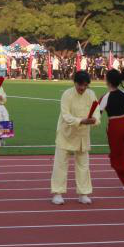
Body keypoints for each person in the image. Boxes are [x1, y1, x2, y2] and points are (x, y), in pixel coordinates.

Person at [50, 71, 98, 205]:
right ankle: (57, 193)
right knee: (60, 164)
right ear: (74, 83)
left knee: (83, 165)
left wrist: (95, 120)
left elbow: (96, 112)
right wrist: (82, 121)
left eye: (85, 85)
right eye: (80, 85)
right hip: (66, 134)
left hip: (82, 135)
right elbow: (66, 116)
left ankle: (83, 193)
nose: (82, 88)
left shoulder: (91, 94)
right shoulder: (67, 94)